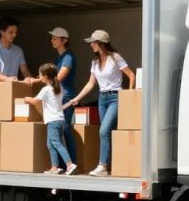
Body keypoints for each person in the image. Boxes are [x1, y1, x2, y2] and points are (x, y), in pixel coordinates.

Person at [64, 30, 135, 177]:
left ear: (101, 43)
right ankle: (111, 165)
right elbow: (90, 84)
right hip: (102, 99)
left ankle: (102, 165)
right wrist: (77, 98)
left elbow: (131, 75)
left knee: (103, 131)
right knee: (107, 132)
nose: (91, 45)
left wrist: (129, 96)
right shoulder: (95, 62)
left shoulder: (115, 58)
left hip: (116, 97)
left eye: (93, 42)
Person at [25, 63, 77, 175]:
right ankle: (54, 167)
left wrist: (27, 99)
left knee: (56, 143)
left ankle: (69, 164)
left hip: (53, 121)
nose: (39, 77)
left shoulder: (46, 89)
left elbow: (35, 101)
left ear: (46, 77)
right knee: (50, 144)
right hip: (60, 120)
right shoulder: (58, 89)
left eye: (40, 75)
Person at [48, 27, 78, 165]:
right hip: (59, 96)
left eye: (55, 38)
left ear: (64, 40)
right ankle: (62, 164)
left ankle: (72, 162)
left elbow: (59, 78)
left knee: (65, 128)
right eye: (52, 38)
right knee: (59, 130)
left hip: (65, 96)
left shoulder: (68, 57)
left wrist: (40, 80)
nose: (52, 40)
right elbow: (51, 77)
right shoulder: (58, 57)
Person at [0, 17, 35, 84]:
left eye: (15, 32)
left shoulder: (18, 50)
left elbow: (25, 71)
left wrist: (31, 80)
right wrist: (6, 79)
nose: (14, 35)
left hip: (13, 88)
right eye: (11, 32)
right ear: (2, 32)